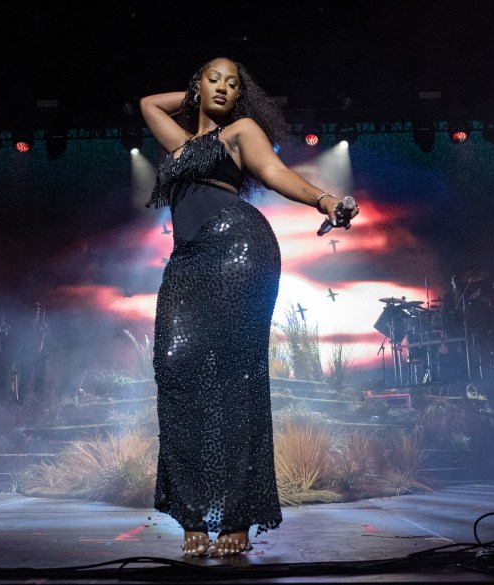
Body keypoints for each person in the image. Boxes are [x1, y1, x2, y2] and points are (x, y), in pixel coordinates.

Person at [140, 57, 359, 557]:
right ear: (197, 85)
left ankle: (236, 518)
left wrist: (326, 202)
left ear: (242, 96)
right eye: (213, 79)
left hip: (239, 249)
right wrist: (194, 92)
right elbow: (148, 103)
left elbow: (277, 173)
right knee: (173, 370)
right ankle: (193, 512)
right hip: (187, 261)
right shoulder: (181, 144)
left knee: (238, 380)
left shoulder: (239, 132)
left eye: (233, 83)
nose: (223, 88)